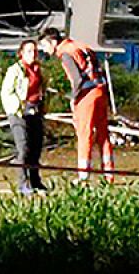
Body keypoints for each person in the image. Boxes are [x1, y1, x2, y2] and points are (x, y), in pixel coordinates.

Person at [38, 27, 113, 182]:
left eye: (44, 46)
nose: (44, 51)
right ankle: (109, 173)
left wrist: (74, 98)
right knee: (103, 133)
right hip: (101, 91)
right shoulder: (80, 45)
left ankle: (83, 175)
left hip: (87, 94)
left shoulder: (65, 54)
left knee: (84, 134)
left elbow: (77, 80)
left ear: (52, 42)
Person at [0, 38, 48, 193]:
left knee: (36, 147)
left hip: (36, 111)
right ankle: (22, 183)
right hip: (19, 112)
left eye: (35, 51)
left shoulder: (39, 70)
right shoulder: (14, 70)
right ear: (21, 53)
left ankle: (36, 181)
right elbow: (6, 92)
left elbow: (42, 89)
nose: (32, 54)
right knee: (23, 147)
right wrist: (18, 107)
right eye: (29, 51)